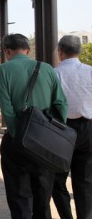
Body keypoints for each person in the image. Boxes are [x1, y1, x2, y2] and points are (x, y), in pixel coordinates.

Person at [0, 33, 67, 219]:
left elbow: (7, 109)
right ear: (28, 50)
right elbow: (61, 103)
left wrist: (17, 135)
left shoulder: (3, 70)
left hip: (17, 141)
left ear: (7, 51)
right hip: (44, 142)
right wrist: (54, 133)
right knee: (42, 197)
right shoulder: (47, 69)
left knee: (19, 196)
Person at [52, 35, 92, 219]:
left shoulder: (54, 73)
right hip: (88, 128)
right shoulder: (90, 71)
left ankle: (66, 216)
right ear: (80, 51)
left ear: (60, 51)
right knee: (84, 181)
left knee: (58, 180)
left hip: (62, 130)